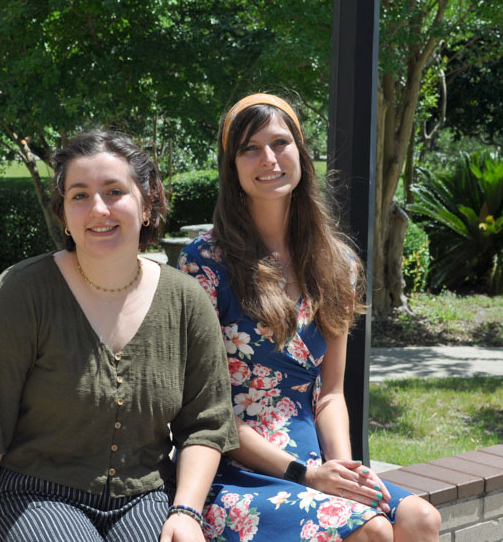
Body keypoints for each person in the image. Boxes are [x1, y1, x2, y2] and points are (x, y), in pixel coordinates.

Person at [0, 130, 239, 542]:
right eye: (79, 195)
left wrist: (185, 511)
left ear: (147, 203)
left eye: (115, 191)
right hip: (31, 492)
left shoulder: (187, 301)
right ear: (63, 214)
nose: (99, 208)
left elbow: (205, 425)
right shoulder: (19, 295)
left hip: (144, 496)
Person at [178, 93, 441, 541]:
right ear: (232, 168)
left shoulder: (337, 264)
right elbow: (207, 410)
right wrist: (306, 476)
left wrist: (344, 473)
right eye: (249, 148)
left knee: (421, 519)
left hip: (314, 460)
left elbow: (330, 394)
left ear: (301, 152)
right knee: (372, 531)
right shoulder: (204, 263)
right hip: (234, 466)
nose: (268, 159)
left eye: (280, 143)